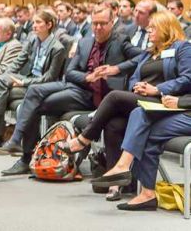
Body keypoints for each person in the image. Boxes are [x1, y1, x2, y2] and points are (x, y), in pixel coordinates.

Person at [0, 6, 142, 179]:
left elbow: (142, 56)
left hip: (102, 99)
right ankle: (21, 150)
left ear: (112, 23)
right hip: (79, 91)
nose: (98, 28)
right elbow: (70, 72)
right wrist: (88, 77)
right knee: (34, 97)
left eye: (102, 24)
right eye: (95, 24)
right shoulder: (86, 42)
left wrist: (117, 69)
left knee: (35, 102)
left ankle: (24, 152)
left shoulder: (121, 41)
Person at [60, 11, 191, 194]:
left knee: (114, 97)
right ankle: (117, 183)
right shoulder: (148, 53)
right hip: (144, 100)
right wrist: (135, 87)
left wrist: (158, 89)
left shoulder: (182, 48)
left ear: (166, 28)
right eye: (149, 28)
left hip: (165, 101)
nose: (149, 31)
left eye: (153, 27)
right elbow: (134, 76)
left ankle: (84, 139)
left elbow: (187, 78)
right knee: (114, 124)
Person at [0, 9, 66, 173]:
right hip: (28, 81)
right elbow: (17, 63)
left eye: (38, 22)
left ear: (49, 25)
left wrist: (23, 82)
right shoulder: (32, 40)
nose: (34, 25)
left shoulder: (57, 48)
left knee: (21, 102)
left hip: (40, 86)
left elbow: (50, 78)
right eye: (34, 22)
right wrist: (7, 74)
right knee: (2, 80)